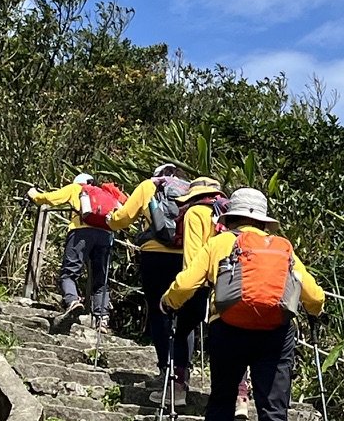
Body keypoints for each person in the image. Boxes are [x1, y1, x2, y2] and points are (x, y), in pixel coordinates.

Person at [161, 187, 324, 421]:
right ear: (263, 221)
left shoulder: (219, 243)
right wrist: (317, 314)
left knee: (222, 397)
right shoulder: (283, 249)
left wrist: (168, 303)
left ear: (230, 216)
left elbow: (185, 284)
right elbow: (315, 297)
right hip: (276, 335)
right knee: (274, 408)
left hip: (228, 329)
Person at [106, 163, 191, 400]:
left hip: (155, 254)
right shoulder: (192, 192)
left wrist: (111, 220)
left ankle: (167, 371)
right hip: (187, 256)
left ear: (158, 176)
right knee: (184, 315)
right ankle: (182, 376)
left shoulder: (149, 186)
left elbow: (122, 218)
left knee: (159, 311)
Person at [148, 176, 227, 407]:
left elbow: (193, 258)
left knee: (182, 331)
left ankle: (178, 387)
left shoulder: (195, 213)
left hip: (200, 284)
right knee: (226, 339)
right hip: (229, 285)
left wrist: (178, 293)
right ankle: (240, 394)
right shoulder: (229, 217)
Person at [28, 173, 119, 333]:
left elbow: (50, 198)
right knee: (101, 279)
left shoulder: (76, 188)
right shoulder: (105, 194)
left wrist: (33, 194)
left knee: (69, 273)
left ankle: (72, 300)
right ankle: (102, 319)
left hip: (81, 233)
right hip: (105, 234)